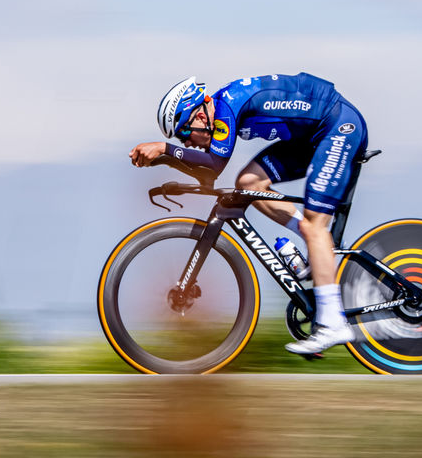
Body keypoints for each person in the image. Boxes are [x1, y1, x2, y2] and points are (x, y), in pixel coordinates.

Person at [129, 73, 368, 355]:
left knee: (317, 226)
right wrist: (165, 160)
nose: (187, 143)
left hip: (338, 125)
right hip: (310, 136)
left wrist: (165, 150)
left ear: (200, 117)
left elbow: (214, 164)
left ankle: (333, 323)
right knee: (248, 184)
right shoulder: (219, 112)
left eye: (183, 133)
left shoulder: (226, 108)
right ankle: (314, 246)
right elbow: (207, 176)